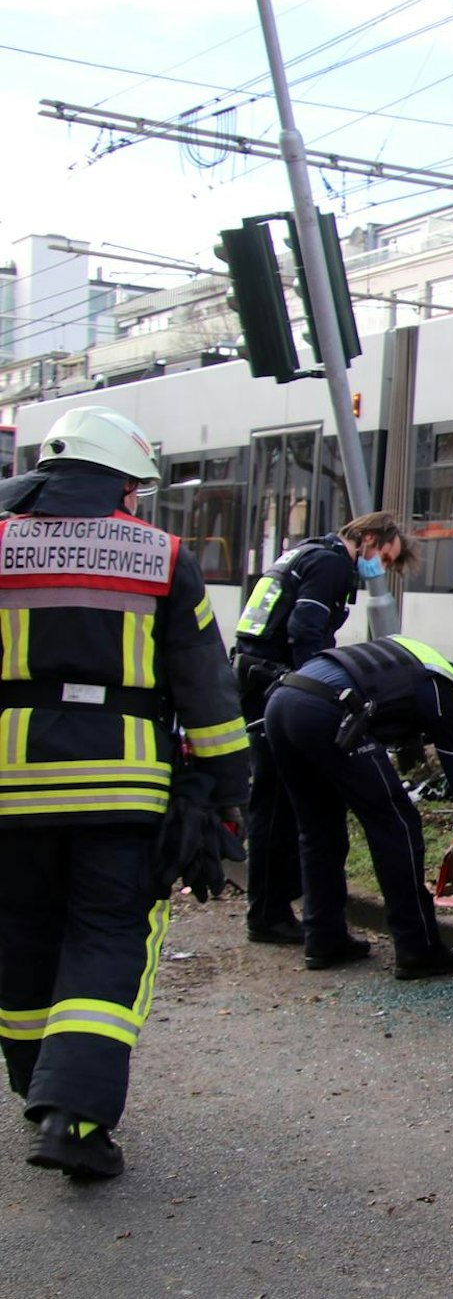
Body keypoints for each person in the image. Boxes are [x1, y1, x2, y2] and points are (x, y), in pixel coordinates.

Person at [0, 406, 250, 1180]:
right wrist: (226, 791)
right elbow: (206, 687)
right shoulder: (161, 555)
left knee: (20, 934)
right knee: (109, 940)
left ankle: (36, 1082)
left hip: (10, 785)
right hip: (123, 789)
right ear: (122, 484)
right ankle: (73, 1116)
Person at [260, 635, 453, 978]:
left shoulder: (425, 662)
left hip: (282, 702)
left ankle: (324, 938)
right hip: (327, 710)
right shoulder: (446, 689)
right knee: (397, 825)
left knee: (319, 830)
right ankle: (418, 948)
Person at [231, 511, 411, 947]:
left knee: (272, 802)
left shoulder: (309, 552)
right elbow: (305, 631)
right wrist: (319, 689)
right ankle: (269, 914)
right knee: (276, 806)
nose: (381, 568)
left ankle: (269, 909)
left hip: (258, 679)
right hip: (273, 684)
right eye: (385, 558)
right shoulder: (331, 564)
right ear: (369, 538)